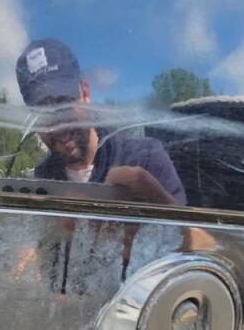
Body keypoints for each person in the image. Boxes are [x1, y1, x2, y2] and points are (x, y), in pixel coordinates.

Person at [15, 38, 186, 205]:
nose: (57, 124)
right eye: (42, 112)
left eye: (63, 103)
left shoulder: (146, 157)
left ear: (85, 93)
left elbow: (191, 224)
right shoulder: (42, 179)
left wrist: (158, 199)